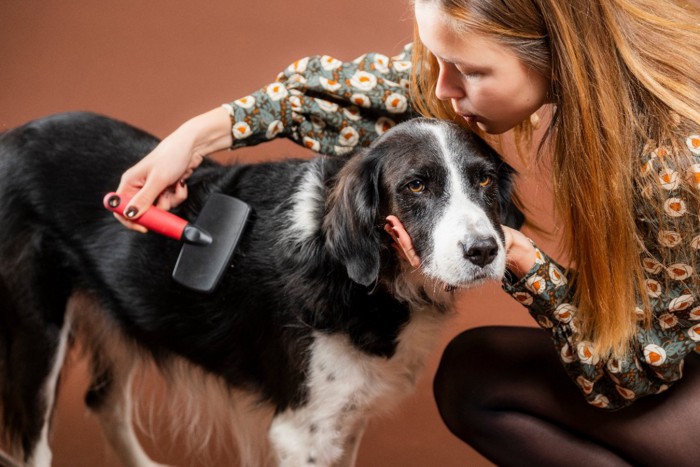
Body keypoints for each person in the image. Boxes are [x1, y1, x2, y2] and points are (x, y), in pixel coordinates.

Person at [115, 0, 700, 465]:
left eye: (468, 70)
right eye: (438, 59)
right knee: (474, 370)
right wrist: (194, 137)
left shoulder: (669, 158)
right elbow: (387, 88)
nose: (442, 89)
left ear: (551, 48)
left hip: (664, 373)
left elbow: (633, 371)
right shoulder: (606, 60)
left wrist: (518, 259)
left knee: (481, 381)